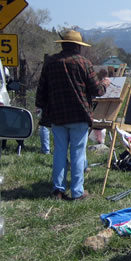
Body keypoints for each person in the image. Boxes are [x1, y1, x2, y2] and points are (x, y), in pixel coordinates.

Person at [35, 29, 110, 201]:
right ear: (78, 47)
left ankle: (58, 190)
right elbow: (97, 90)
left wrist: (41, 107)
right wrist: (105, 83)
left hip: (57, 115)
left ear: (63, 45)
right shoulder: (84, 63)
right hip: (79, 115)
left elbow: (41, 90)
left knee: (59, 152)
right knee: (77, 153)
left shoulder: (51, 63)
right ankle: (77, 192)